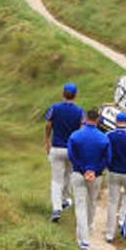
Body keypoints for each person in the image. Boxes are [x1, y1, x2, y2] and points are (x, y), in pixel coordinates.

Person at [66, 109, 112, 250]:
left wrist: (83, 169)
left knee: (80, 205)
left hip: (79, 174)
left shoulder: (75, 135)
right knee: (91, 201)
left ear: (85, 118)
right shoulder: (104, 138)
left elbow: (71, 155)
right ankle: (89, 226)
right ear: (98, 120)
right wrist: (95, 171)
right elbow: (108, 159)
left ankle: (84, 239)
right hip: (96, 175)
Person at [43, 83, 85, 224]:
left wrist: (47, 140)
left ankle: (57, 208)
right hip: (72, 149)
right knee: (69, 175)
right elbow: (82, 129)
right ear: (75, 95)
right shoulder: (80, 112)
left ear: (63, 93)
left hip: (57, 147)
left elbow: (48, 125)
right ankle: (64, 200)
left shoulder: (54, 108)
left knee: (56, 180)